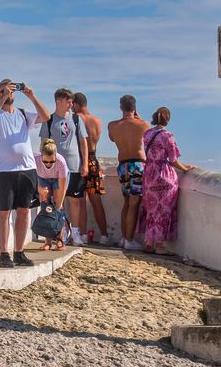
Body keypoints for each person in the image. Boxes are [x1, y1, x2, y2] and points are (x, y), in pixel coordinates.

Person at [0, 78, 47, 267]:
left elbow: (45, 117)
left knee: (24, 211)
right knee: (4, 212)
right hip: (4, 171)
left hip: (27, 170)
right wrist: (2, 99)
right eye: (4, 90)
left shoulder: (22, 114)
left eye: (11, 90)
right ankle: (4, 254)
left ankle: (19, 252)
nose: (9, 93)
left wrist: (32, 96)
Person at [138, 106, 195, 254]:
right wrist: (185, 169)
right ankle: (160, 246)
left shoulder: (147, 134)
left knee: (151, 209)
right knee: (163, 210)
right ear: (168, 119)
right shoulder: (168, 136)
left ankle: (149, 242)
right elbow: (173, 160)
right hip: (164, 175)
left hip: (149, 174)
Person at [40, 88, 91, 245]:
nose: (71, 105)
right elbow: (43, 144)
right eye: (68, 102)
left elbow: (83, 142)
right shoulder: (48, 120)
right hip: (55, 168)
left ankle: (75, 233)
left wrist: (85, 164)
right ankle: (60, 233)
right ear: (58, 101)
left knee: (75, 200)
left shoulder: (76, 119)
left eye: (72, 102)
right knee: (57, 202)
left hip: (74, 166)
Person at [108, 95, 150, 251]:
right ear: (135, 108)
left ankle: (124, 237)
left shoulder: (112, 125)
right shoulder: (143, 124)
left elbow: (112, 138)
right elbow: (147, 134)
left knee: (126, 203)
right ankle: (129, 240)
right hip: (138, 165)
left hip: (122, 165)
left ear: (121, 107)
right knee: (134, 204)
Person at [74, 92, 112, 245]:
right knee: (96, 201)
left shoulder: (76, 119)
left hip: (80, 161)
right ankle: (104, 236)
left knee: (81, 200)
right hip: (93, 161)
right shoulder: (97, 121)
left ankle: (83, 234)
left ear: (75, 104)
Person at [33, 137, 70, 251]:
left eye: (51, 161)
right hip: (43, 178)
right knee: (45, 206)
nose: (48, 164)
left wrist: (58, 203)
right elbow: (31, 177)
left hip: (59, 179)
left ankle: (60, 239)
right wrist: (40, 189)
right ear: (41, 156)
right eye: (45, 161)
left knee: (58, 208)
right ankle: (47, 241)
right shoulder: (35, 159)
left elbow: (62, 186)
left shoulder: (61, 162)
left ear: (56, 157)